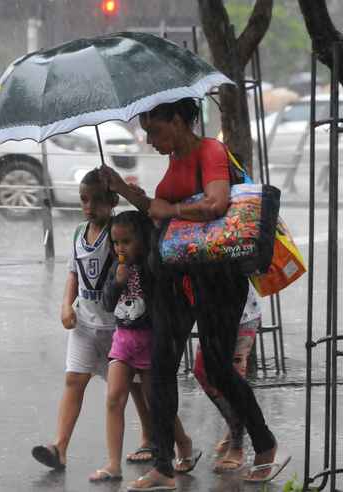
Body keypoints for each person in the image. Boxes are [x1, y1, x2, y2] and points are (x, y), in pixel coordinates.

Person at [100, 98, 286, 491]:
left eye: (155, 130)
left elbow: (216, 204)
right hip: (174, 278)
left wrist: (169, 209)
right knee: (162, 366)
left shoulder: (210, 151)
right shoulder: (174, 160)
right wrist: (121, 189)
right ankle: (165, 466)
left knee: (218, 367)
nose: (150, 140)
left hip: (218, 280)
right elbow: (157, 209)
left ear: (180, 120)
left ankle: (264, 443)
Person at [31, 169, 151, 470]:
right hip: (85, 322)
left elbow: (145, 223)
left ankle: (151, 438)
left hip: (117, 326)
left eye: (97, 200)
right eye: (85, 200)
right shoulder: (78, 233)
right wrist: (66, 306)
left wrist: (124, 190)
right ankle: (59, 446)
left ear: (111, 201)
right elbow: (74, 272)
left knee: (135, 386)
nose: (89, 207)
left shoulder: (118, 231)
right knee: (74, 380)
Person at [89, 211, 155, 482]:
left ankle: (176, 445)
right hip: (123, 340)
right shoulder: (116, 266)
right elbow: (106, 303)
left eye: (126, 242)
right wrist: (117, 281)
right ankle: (113, 464)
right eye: (116, 243)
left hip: (150, 340)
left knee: (157, 403)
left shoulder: (153, 266)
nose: (120, 248)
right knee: (114, 399)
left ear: (142, 239)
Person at [192, 285, 261, 473]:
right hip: (212, 319)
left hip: (242, 315)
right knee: (201, 370)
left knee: (234, 377)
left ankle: (237, 445)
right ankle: (234, 425)